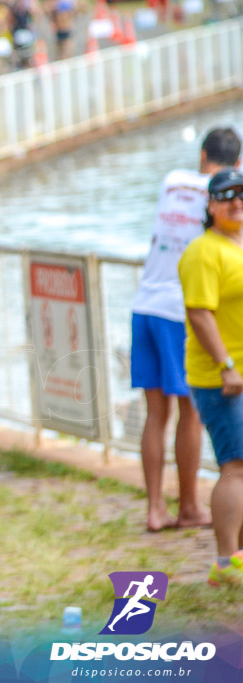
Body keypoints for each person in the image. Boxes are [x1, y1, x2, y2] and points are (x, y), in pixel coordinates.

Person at [130, 128, 237, 533]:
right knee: (190, 413)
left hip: (144, 304)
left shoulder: (172, 181)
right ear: (237, 165)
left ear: (203, 153)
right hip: (179, 312)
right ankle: (189, 505)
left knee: (156, 413)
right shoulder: (221, 194)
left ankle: (155, 508)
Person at [179, 169, 243, 589]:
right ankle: (225, 561)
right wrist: (225, 365)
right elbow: (199, 313)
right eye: (226, 197)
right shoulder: (205, 251)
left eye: (241, 195)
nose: (236, 202)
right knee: (235, 466)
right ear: (210, 205)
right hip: (223, 378)